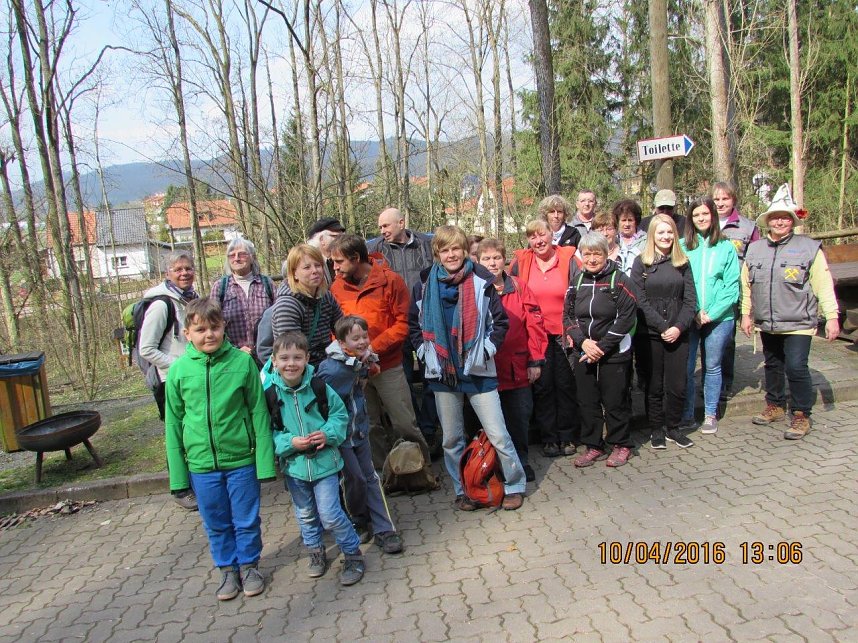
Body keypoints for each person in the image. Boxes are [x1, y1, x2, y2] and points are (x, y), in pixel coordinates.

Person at [164, 297, 275, 600]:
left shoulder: (242, 363)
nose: (208, 334)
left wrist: (265, 463)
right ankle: (227, 570)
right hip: (201, 464)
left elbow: (258, 412)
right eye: (200, 329)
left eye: (214, 327)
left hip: (241, 460)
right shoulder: (178, 372)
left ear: (224, 326)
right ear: (187, 333)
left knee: (246, 518)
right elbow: (173, 424)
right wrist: (178, 479)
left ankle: (250, 565)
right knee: (216, 521)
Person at [408, 225, 526, 511]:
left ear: (464, 250)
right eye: (445, 250)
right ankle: (464, 490)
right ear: (437, 253)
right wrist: (426, 353)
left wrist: (485, 350)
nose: (451, 254)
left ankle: (514, 484)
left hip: (477, 370)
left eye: (456, 249)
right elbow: (413, 324)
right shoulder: (424, 282)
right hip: (443, 372)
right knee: (451, 439)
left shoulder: (481, 279)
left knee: (498, 433)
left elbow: (500, 323)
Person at [262, 331, 366, 586]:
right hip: (295, 467)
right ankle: (315, 552)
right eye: (284, 358)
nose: (291, 363)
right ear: (274, 361)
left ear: (307, 358)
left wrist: (328, 434)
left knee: (330, 514)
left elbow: (339, 415)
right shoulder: (270, 394)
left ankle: (352, 553)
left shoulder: (319, 386)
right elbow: (267, 432)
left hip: (325, 464)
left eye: (298, 357)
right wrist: (289, 443)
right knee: (306, 514)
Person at [741, 184, 840, 440]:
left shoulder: (809, 248)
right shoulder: (755, 249)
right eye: (776, 217)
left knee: (796, 367)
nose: (780, 221)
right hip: (768, 322)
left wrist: (832, 317)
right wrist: (746, 314)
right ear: (768, 221)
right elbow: (747, 285)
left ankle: (800, 415)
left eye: (786, 217)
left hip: (799, 322)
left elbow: (823, 283)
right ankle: (774, 405)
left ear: (792, 221)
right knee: (773, 365)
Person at [328, 234, 432, 468]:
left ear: (355, 258)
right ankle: (381, 476)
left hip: (389, 366)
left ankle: (420, 471)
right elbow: (334, 328)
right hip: (355, 369)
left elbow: (403, 323)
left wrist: (373, 348)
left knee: (404, 422)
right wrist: (347, 352)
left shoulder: (390, 281)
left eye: (338, 262)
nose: (334, 267)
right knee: (369, 424)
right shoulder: (336, 288)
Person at [317, 316, 403, 554]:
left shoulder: (361, 360)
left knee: (370, 477)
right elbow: (323, 402)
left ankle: (384, 528)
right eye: (356, 338)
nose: (363, 341)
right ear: (342, 343)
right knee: (352, 479)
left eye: (365, 336)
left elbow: (362, 382)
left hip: (360, 430)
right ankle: (358, 518)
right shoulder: (333, 369)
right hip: (341, 437)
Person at [367, 207, 439, 452]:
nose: (382, 231)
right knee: (404, 380)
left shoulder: (427, 245)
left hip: (425, 321)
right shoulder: (374, 250)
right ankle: (414, 431)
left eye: (386, 226)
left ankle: (429, 430)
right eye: (380, 227)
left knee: (432, 375)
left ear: (401, 223)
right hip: (395, 324)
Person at [563, 233, 637, 467]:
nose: (592, 259)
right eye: (588, 254)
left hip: (614, 352)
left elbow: (627, 318)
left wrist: (602, 347)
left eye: (597, 253)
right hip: (583, 351)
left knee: (615, 400)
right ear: (581, 256)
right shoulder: (576, 281)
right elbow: (568, 315)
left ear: (606, 254)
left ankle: (621, 444)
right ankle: (594, 445)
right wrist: (583, 341)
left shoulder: (621, 280)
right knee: (587, 401)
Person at [477, 238, 548, 483]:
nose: (492, 263)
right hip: (486, 369)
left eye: (496, 257)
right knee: (491, 422)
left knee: (519, 418)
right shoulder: (474, 288)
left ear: (504, 259)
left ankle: (521, 460)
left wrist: (535, 360)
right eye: (486, 258)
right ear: (477, 261)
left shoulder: (518, 287)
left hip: (517, 366)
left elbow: (535, 325)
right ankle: (492, 463)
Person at [509, 219, 580, 457]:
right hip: (535, 335)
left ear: (552, 235)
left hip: (564, 333)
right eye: (532, 237)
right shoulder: (521, 262)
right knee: (542, 386)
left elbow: (580, 293)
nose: (538, 241)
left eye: (542, 235)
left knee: (566, 385)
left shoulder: (568, 260)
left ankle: (568, 435)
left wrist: (575, 330)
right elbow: (510, 292)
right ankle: (549, 437)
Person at [139, 249, 199, 510]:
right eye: (178, 269)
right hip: (169, 380)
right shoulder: (161, 304)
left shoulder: (189, 298)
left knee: (191, 433)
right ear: (168, 273)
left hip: (188, 378)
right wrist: (178, 367)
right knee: (176, 435)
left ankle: (195, 484)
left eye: (188, 268)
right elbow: (146, 349)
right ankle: (180, 488)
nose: (184, 273)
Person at [631, 213, 698, 449]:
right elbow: (639, 300)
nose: (666, 236)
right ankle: (656, 429)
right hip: (650, 333)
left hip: (679, 334)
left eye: (670, 232)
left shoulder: (683, 263)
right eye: (661, 232)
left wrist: (678, 327)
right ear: (652, 235)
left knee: (677, 385)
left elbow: (691, 301)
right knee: (654, 385)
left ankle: (673, 427)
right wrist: (662, 326)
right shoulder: (642, 262)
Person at [678, 198, 739, 435]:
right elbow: (680, 284)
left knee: (712, 366)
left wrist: (711, 313)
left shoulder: (726, 247)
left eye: (705, 214)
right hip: (690, 317)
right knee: (687, 366)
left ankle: (710, 413)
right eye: (696, 215)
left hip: (719, 319)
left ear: (712, 216)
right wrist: (693, 311)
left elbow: (731, 286)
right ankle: (687, 414)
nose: (701, 218)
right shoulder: (683, 247)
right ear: (690, 219)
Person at [711, 181, 760, 398]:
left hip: (733, 291)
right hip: (708, 290)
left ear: (733, 200)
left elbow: (756, 261)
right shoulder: (704, 223)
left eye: (725, 199)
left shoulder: (748, 227)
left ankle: (725, 383)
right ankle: (709, 379)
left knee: (727, 339)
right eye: (716, 199)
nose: (720, 203)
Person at [271, 244, 343, 366]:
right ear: (294, 274)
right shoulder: (287, 306)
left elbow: (342, 329)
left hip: (326, 362)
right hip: (300, 371)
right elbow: (292, 352)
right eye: (307, 267)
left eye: (318, 265)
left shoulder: (325, 296)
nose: (315, 271)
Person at [210, 238, 275, 365]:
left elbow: (278, 318)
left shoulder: (267, 284)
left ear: (252, 257)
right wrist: (233, 348)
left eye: (242, 254)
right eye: (232, 255)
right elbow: (212, 323)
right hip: (232, 358)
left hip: (266, 358)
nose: (236, 258)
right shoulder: (220, 287)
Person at [307, 218, 346, 285]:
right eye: (336, 236)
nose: (341, 240)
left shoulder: (345, 259)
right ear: (321, 239)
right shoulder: (306, 261)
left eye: (342, 236)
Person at [614, 199, 646, 276]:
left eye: (630, 220)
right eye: (623, 220)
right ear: (618, 221)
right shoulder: (613, 239)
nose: (627, 224)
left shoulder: (646, 240)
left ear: (636, 221)